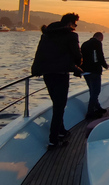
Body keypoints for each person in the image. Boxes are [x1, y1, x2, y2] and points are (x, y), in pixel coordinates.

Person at [31, 13, 82, 150]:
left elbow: (39, 53)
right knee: (59, 107)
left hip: (47, 74)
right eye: (75, 24)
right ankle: (53, 141)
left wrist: (35, 69)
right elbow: (76, 55)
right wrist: (78, 65)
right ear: (70, 23)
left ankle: (61, 131)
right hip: (61, 74)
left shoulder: (47, 34)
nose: (75, 27)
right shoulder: (71, 36)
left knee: (56, 103)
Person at [81, 32, 109, 119]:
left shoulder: (84, 44)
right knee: (96, 91)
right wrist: (105, 65)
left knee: (92, 90)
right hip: (94, 71)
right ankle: (90, 112)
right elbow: (100, 55)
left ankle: (98, 107)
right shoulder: (97, 43)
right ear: (100, 37)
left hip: (85, 71)